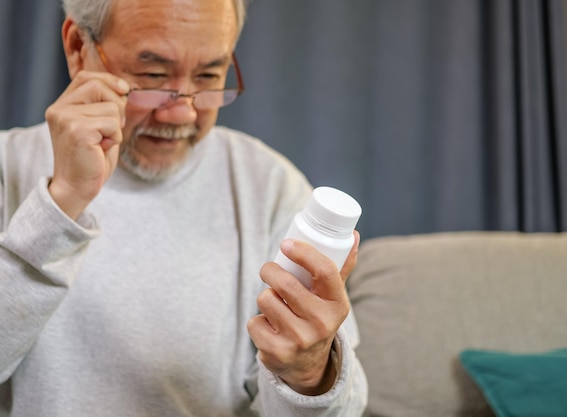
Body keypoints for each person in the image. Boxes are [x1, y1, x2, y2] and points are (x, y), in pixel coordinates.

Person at [0, 0, 368, 415]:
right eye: (153, 75)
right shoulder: (6, 166)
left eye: (210, 75)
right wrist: (62, 201)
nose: (183, 111)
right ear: (76, 47)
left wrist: (308, 375)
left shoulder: (268, 185)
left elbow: (346, 408)